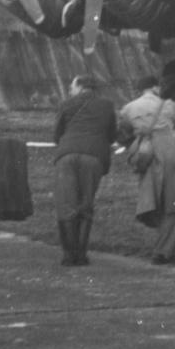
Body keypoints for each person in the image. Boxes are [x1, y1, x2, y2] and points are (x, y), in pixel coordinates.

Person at [118, 75, 175, 264]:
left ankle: (165, 250)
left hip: (147, 155)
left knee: (155, 200)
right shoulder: (169, 105)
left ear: (140, 90)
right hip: (172, 150)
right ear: (155, 88)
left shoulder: (128, 108)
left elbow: (123, 133)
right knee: (173, 200)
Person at [52, 75, 116, 266]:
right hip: (94, 157)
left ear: (80, 87)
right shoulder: (107, 105)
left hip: (67, 155)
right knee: (85, 204)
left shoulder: (67, 104)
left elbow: (57, 134)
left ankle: (68, 254)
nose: (70, 90)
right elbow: (111, 134)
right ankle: (81, 254)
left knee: (66, 204)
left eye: (72, 86)